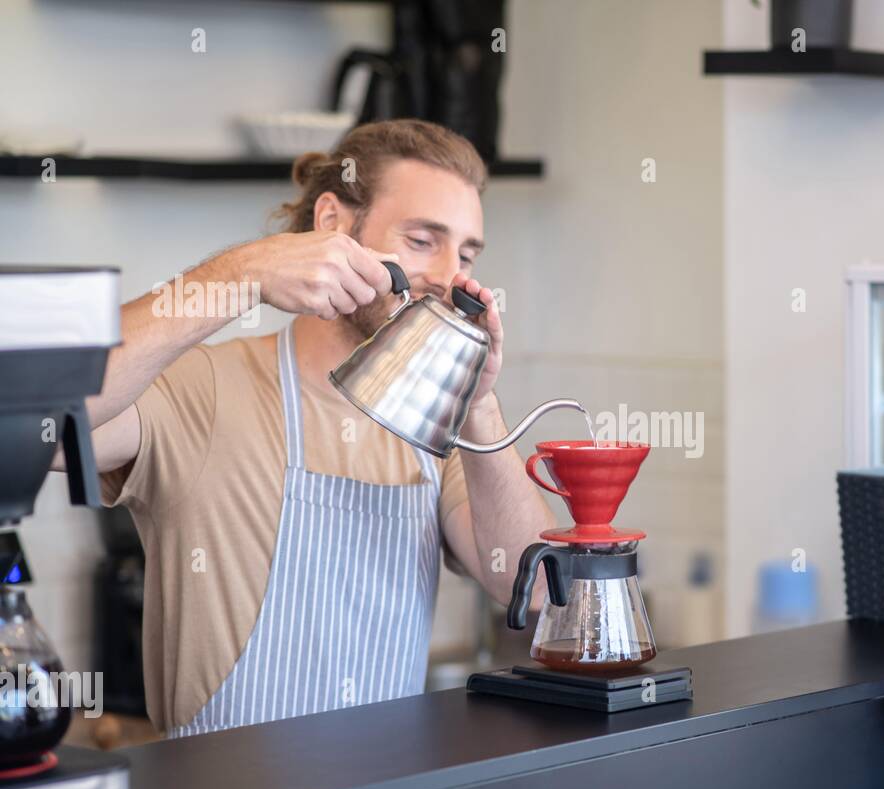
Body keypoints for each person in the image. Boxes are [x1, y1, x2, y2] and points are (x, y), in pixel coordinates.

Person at [55, 119, 556, 737]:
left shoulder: (436, 427)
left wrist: (478, 402)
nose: (451, 276)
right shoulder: (206, 388)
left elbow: (530, 592)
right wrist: (240, 275)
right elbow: (43, 420)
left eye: (468, 254)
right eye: (424, 240)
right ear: (332, 224)